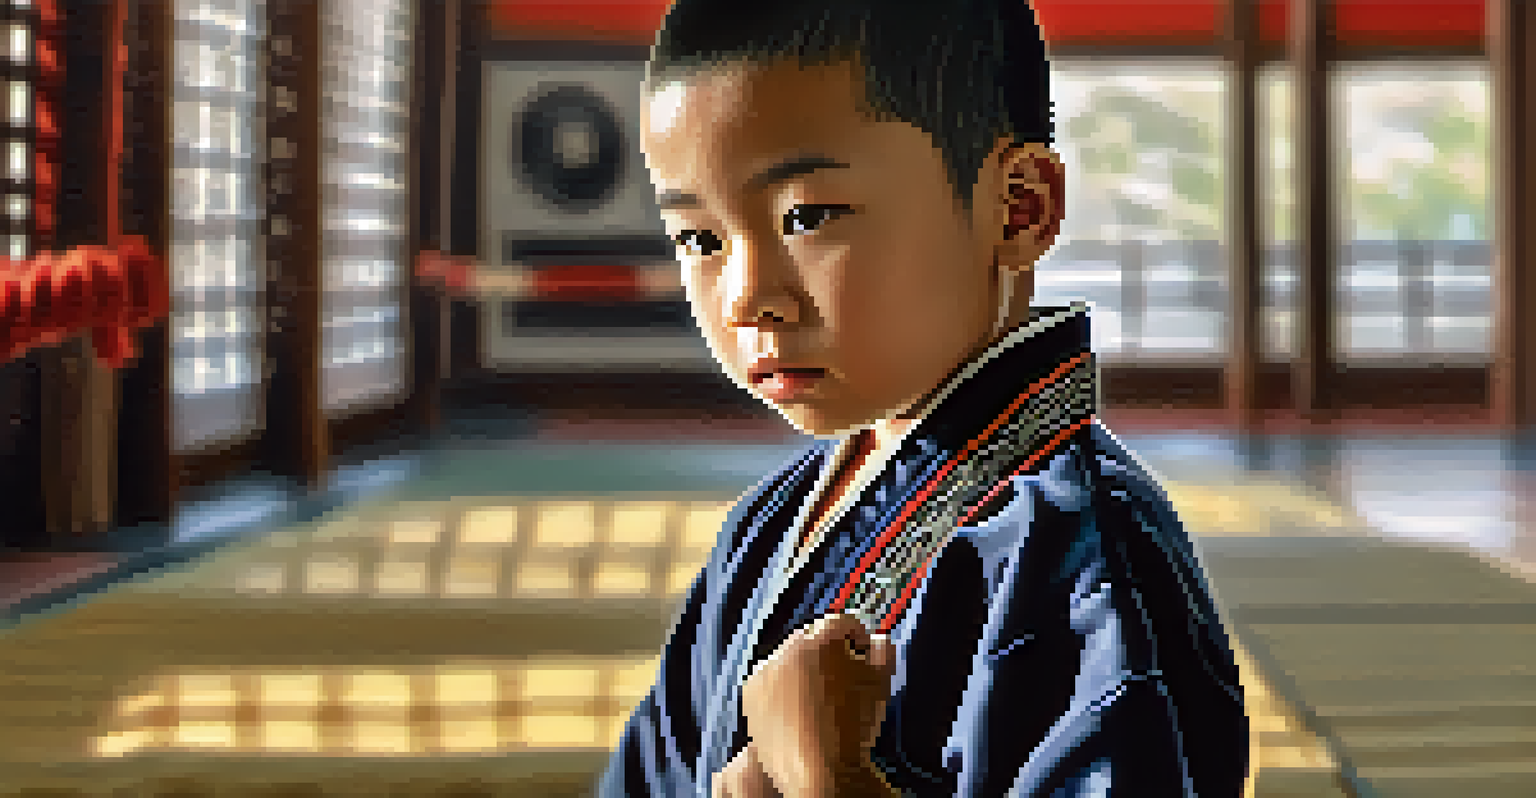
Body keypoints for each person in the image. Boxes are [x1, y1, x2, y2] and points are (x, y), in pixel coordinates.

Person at [598, 1, 1250, 795]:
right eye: (702, 240)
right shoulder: (764, 528)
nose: (746, 297)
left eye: (807, 216)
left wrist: (829, 778)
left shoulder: (1088, 551)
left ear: (1020, 207)